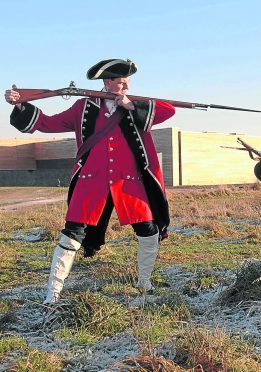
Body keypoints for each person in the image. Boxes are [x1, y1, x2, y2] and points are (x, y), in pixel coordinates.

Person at [4, 58, 176, 303]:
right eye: (121, 81)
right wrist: (21, 103)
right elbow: (47, 123)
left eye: (127, 81)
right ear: (107, 82)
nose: (126, 86)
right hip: (91, 183)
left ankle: (144, 283)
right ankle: (52, 294)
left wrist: (130, 106)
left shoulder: (134, 104)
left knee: (148, 231)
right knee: (71, 235)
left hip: (129, 184)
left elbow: (169, 110)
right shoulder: (83, 108)